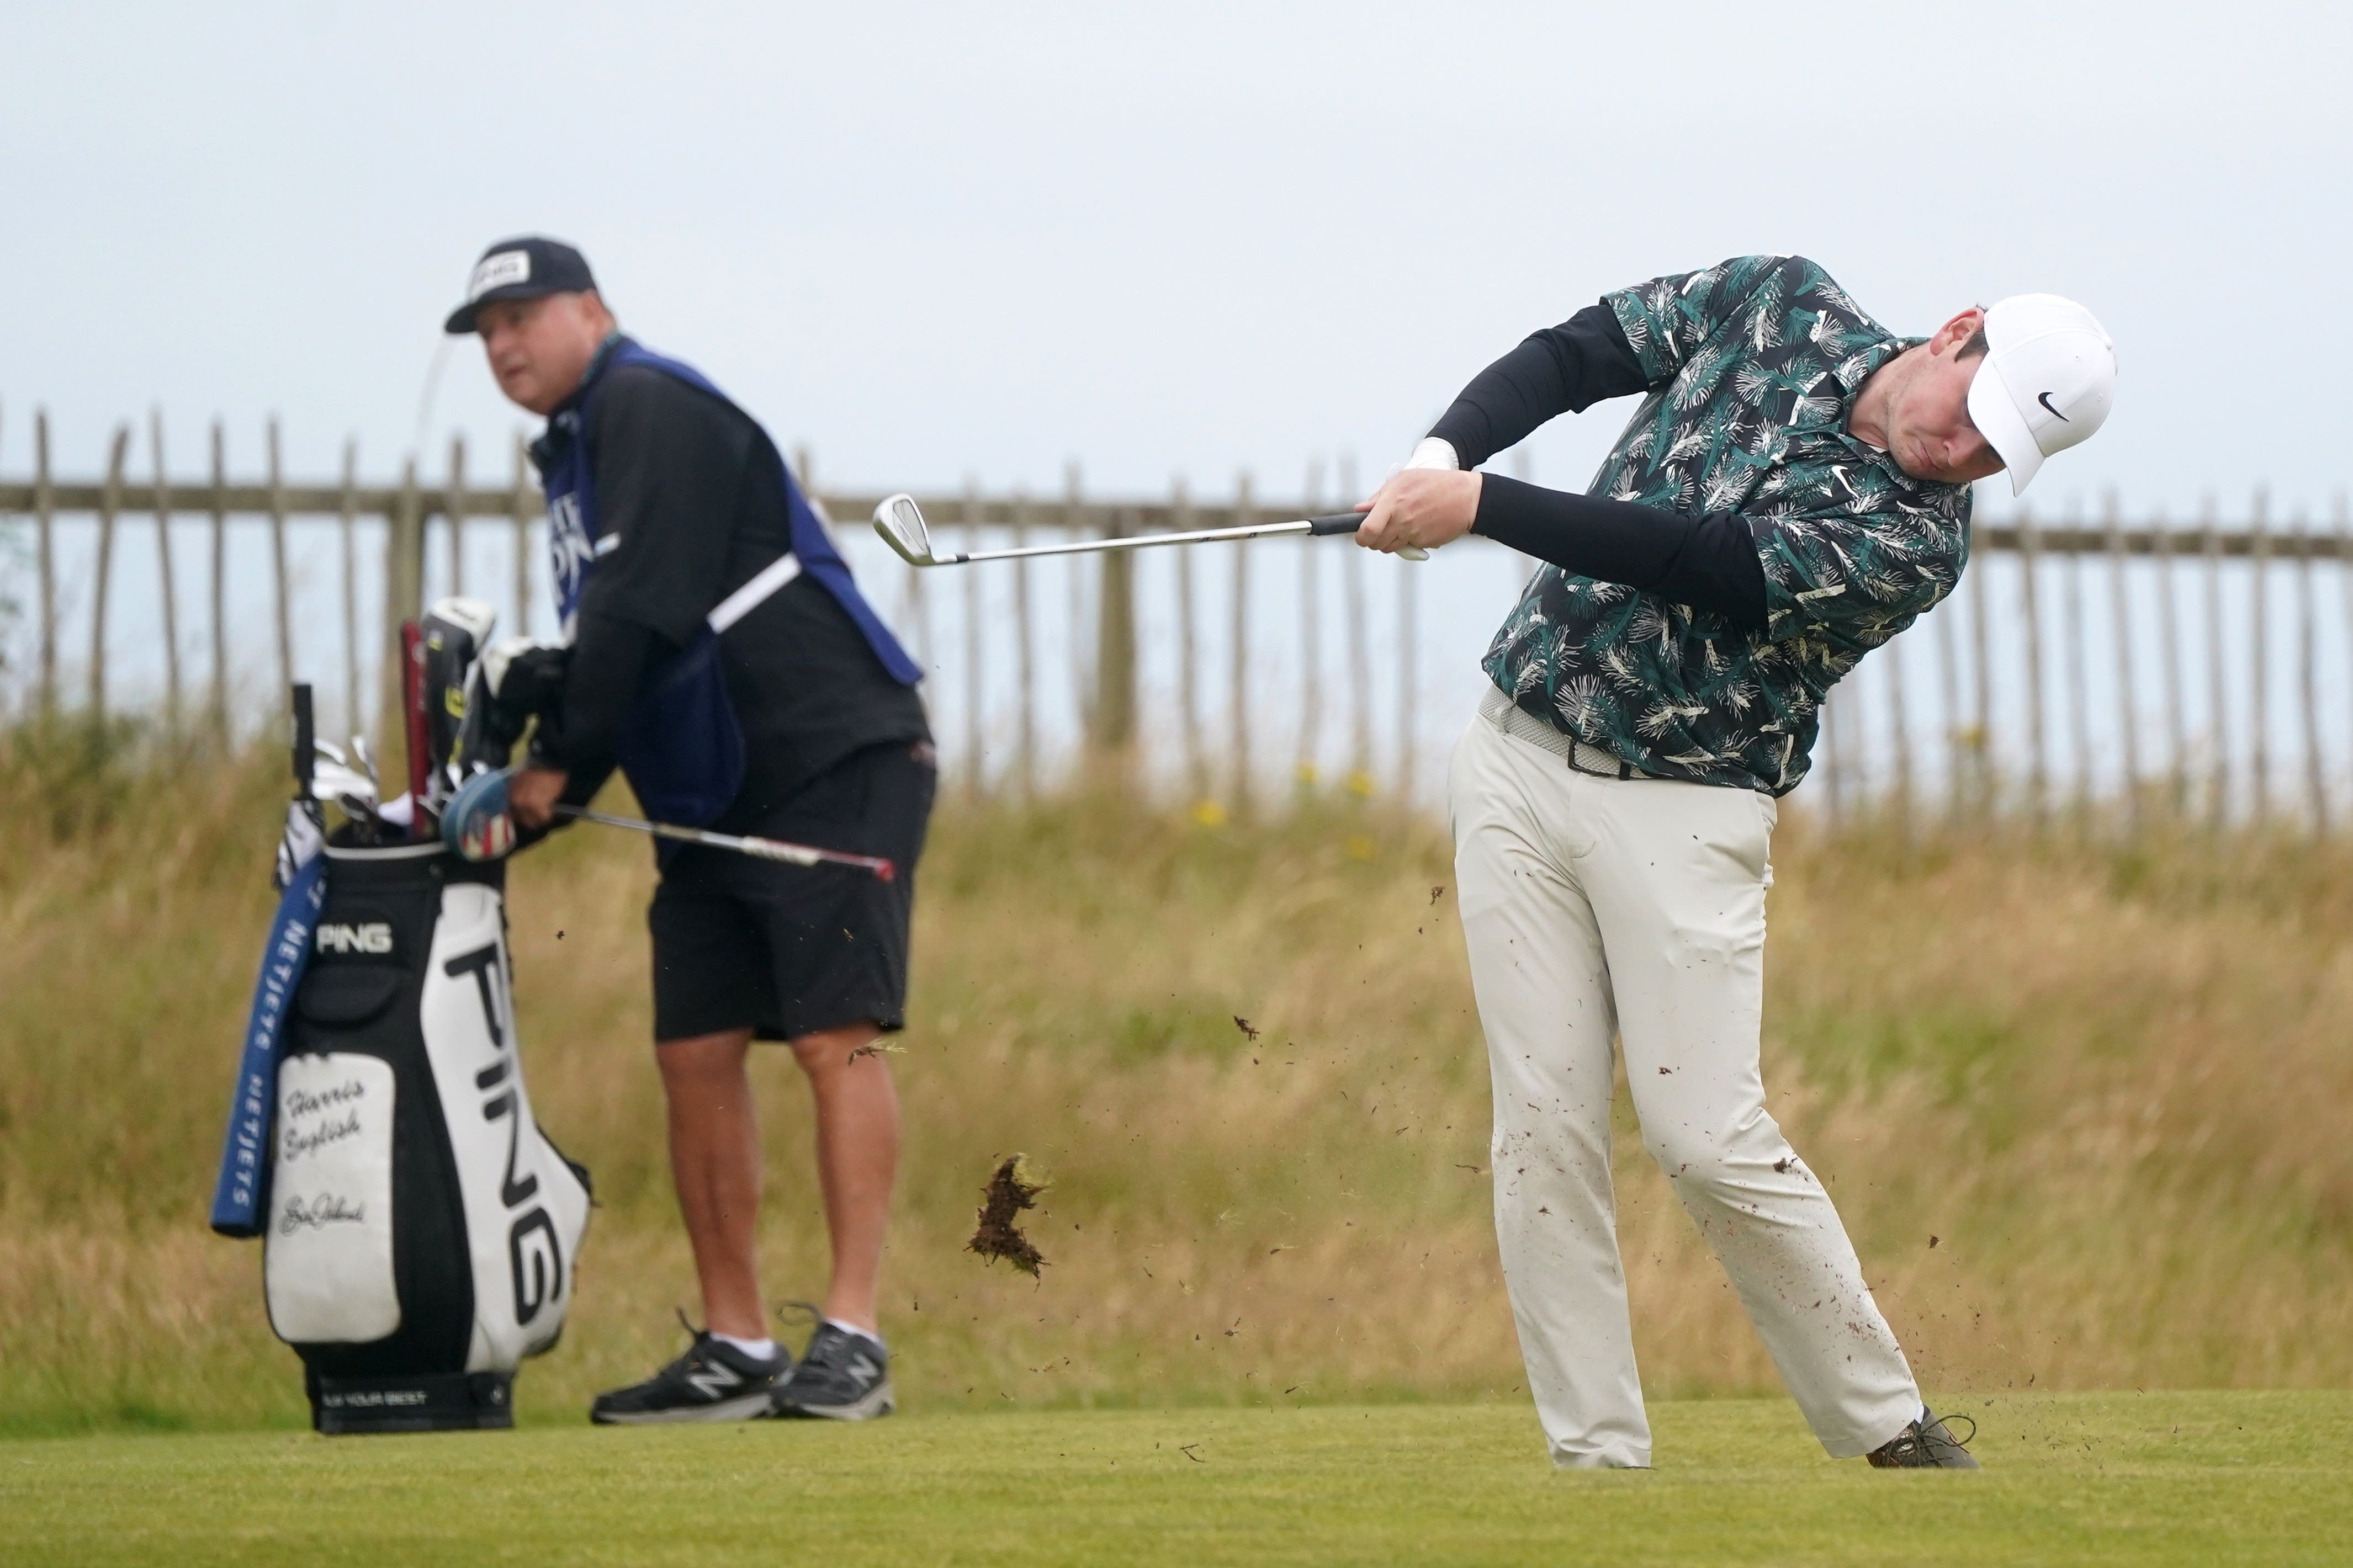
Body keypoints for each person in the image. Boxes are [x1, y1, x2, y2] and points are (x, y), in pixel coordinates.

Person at [1352, 254, 2114, 1469]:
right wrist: (1445, 456)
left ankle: (1888, 1427)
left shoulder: (1910, 545)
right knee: (1541, 1125)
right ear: (1955, 331)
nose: (1963, 455)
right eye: (1970, 418)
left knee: (1704, 1132)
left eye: (1995, 458)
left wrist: (1485, 509)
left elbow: (1704, 557)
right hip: (1511, 754)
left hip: (1687, 811)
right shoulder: (1780, 301)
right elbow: (1581, 354)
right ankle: (1595, 1459)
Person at [444, 236, 935, 1423]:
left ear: (591, 311)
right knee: (695, 1050)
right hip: (711, 783)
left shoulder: (646, 403)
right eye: (487, 330)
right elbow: (628, 636)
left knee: (836, 1037)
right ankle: (737, 1342)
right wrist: (541, 767)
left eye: (524, 315)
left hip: (832, 750)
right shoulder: (574, 447)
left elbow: (639, 607)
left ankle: (855, 1336)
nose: (505, 344)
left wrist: (553, 764)